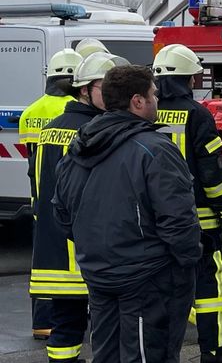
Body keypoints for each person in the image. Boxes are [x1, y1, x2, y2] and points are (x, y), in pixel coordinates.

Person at [52, 65, 201, 362]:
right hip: (149, 278)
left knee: (106, 354)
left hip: (99, 274)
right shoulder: (155, 149)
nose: (157, 101)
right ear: (137, 101)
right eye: (153, 95)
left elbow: (62, 210)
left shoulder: (79, 147)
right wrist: (186, 262)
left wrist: (95, 248)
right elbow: (178, 219)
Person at [29, 52, 128, 362]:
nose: (113, 94)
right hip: (88, 246)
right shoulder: (96, 131)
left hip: (53, 245)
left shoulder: (50, 129)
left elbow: (36, 185)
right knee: (104, 325)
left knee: (65, 324)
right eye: (105, 87)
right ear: (85, 89)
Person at [153, 44, 222, 363]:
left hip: (157, 223)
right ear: (188, 78)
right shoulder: (198, 114)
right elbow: (212, 173)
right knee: (210, 294)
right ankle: (216, 354)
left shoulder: (145, 112)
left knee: (162, 293)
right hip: (201, 224)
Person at [21, 48, 83, 340]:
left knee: (43, 264)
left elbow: (32, 163)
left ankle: (41, 323)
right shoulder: (73, 111)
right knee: (69, 266)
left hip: (39, 198)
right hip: (68, 200)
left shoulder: (31, 111)